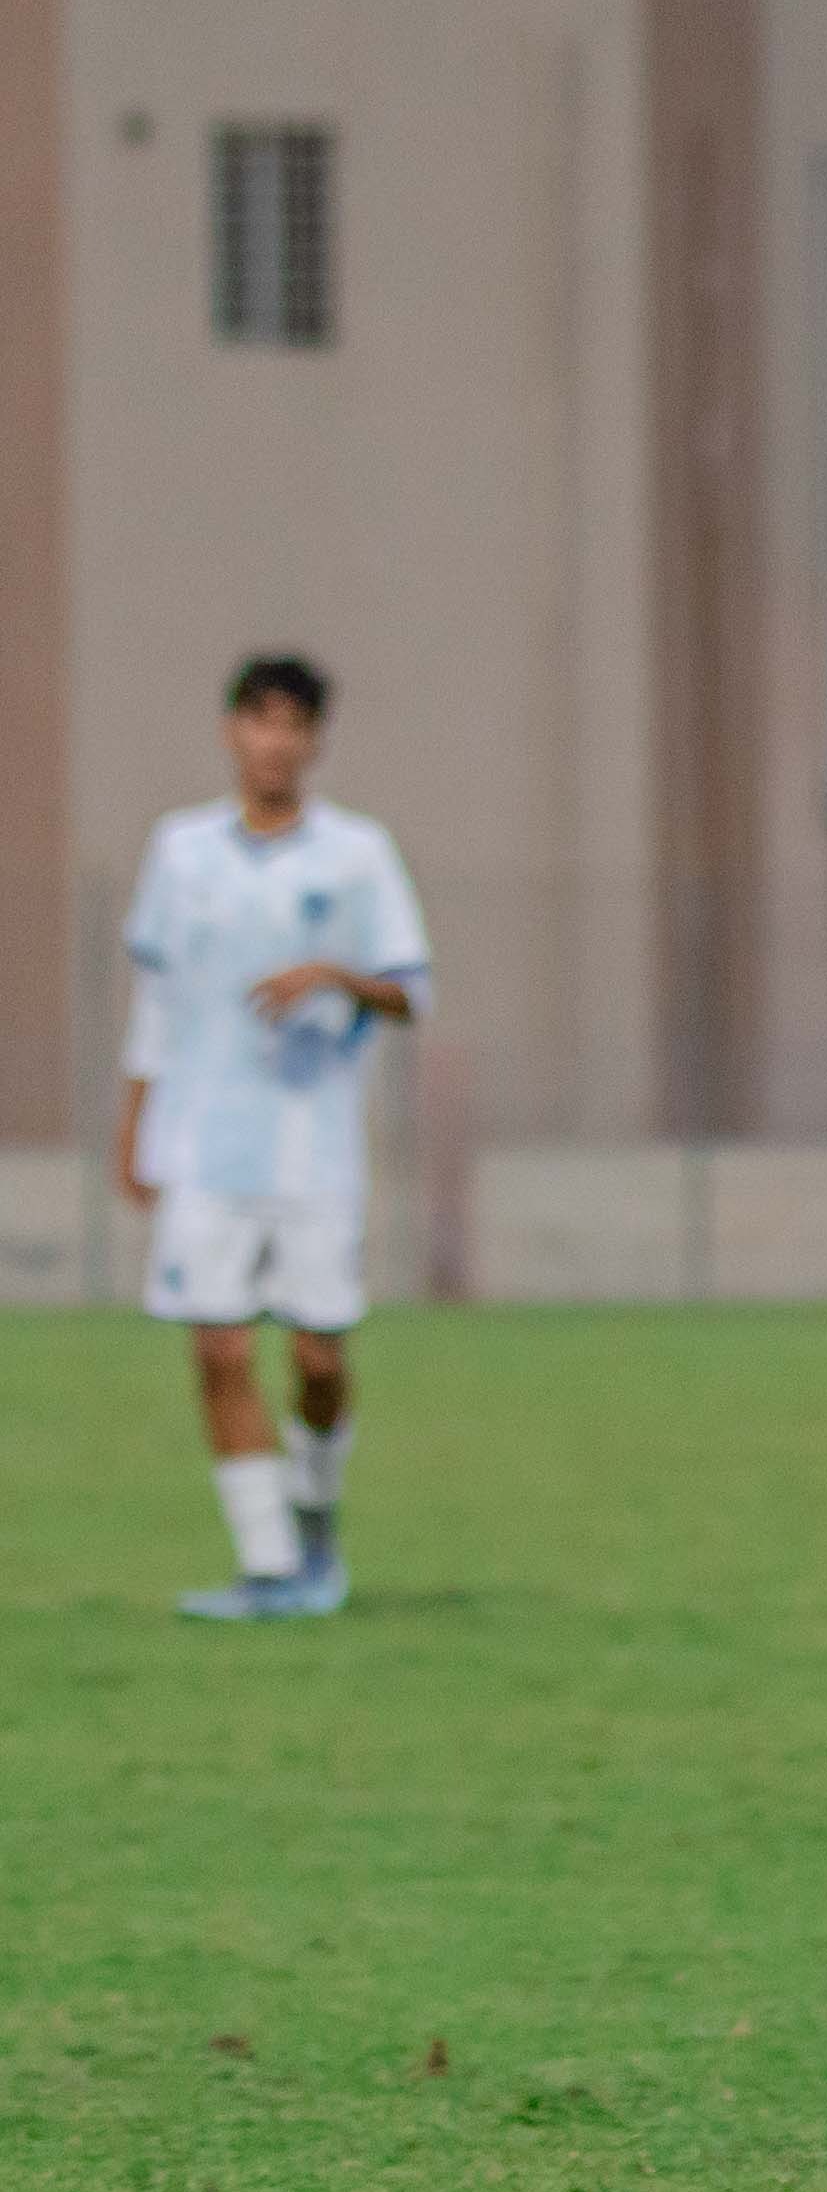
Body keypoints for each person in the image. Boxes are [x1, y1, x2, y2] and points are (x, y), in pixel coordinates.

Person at [119, 655, 431, 1624]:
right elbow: (158, 999)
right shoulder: (181, 850)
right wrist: (136, 1122)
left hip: (313, 1147)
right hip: (205, 1143)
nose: (274, 741)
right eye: (259, 721)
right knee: (217, 1347)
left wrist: (334, 975)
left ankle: (315, 1521)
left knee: (318, 1359)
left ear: (315, 740)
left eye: (293, 723)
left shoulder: (357, 855)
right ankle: (266, 1569)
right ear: (232, 731)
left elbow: (410, 993)